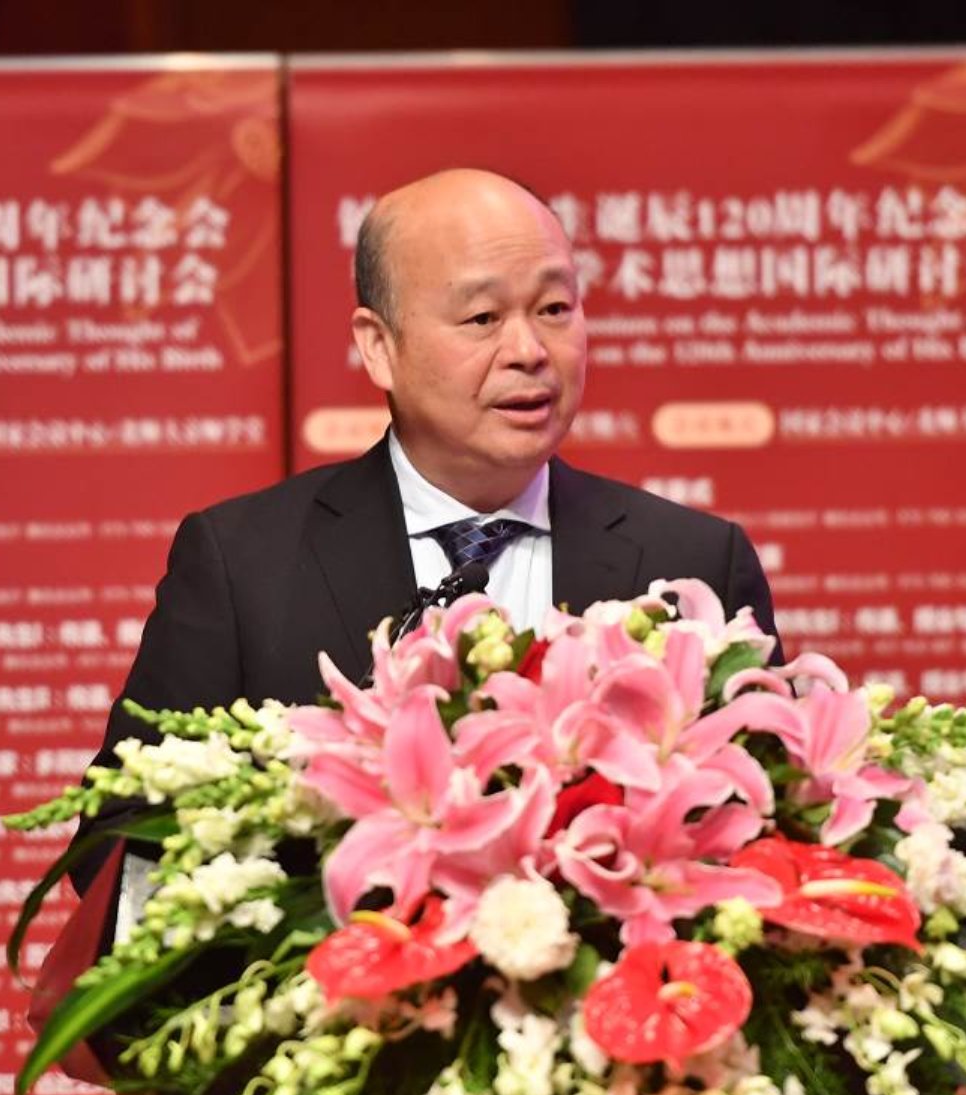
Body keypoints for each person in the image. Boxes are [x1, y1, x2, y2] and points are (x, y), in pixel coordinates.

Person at [78, 168, 779, 880]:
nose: (529, 350)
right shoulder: (243, 564)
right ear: (378, 346)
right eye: (482, 318)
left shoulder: (692, 563)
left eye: (554, 308)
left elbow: (770, 830)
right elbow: (116, 839)